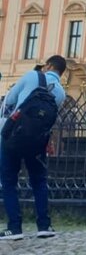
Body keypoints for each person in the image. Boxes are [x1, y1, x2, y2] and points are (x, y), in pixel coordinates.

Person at [0, 56, 66, 240]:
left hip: (13, 137)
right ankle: (44, 225)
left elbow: (10, 100)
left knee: (9, 181)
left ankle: (14, 228)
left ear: (48, 66)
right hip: (37, 142)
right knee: (39, 181)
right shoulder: (61, 92)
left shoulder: (31, 76)